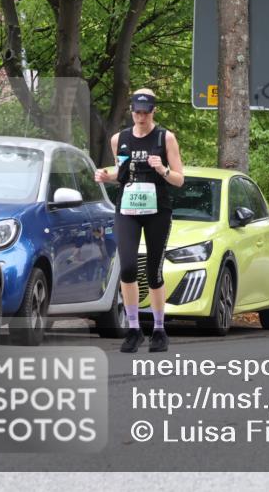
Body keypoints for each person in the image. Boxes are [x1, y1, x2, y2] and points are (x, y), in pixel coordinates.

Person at [95, 89, 185, 353]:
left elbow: (179, 179)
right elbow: (121, 172)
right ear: (132, 111)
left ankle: (159, 329)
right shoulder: (119, 139)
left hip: (158, 210)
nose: (141, 117)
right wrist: (105, 175)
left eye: (146, 113)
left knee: (154, 271)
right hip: (128, 208)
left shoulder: (165, 138)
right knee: (128, 268)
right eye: (137, 112)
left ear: (153, 111)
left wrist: (162, 169)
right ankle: (134, 329)